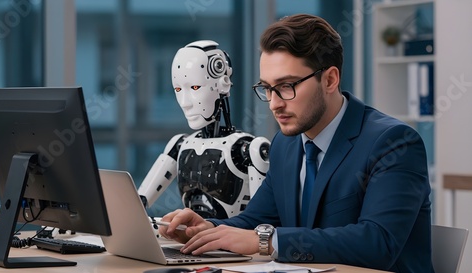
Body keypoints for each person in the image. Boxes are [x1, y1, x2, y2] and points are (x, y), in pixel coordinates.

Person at [159, 14, 433, 273]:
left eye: (287, 85)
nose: (275, 103)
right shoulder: (286, 145)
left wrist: (264, 242)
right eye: (266, 88)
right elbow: (256, 221)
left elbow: (378, 242)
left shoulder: (394, 143)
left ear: (330, 79)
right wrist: (207, 227)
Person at [138, 40, 270, 219]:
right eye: (178, 89)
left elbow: (261, 221)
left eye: (194, 87)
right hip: (191, 240)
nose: (185, 102)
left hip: (231, 242)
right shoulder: (181, 144)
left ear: (222, 85)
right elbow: (138, 203)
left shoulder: (247, 149)